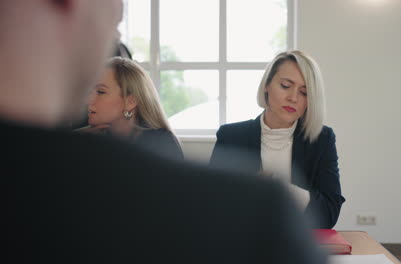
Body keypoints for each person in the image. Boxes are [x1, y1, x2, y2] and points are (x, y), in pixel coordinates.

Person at [2, 1, 325, 263]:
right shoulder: (255, 214)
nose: (294, 96)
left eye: (304, 90)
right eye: (116, 18)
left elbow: (330, 207)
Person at [210, 50, 345, 229]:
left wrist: (280, 188)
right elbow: (211, 204)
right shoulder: (231, 136)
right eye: (285, 85)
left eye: (304, 92)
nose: (293, 98)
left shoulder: (322, 139)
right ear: (267, 85)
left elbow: (329, 214)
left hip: (297, 245)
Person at [78, 57, 183, 160]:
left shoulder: (162, 145)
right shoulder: (88, 141)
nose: (88, 100)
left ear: (130, 102)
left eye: (101, 92)